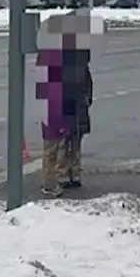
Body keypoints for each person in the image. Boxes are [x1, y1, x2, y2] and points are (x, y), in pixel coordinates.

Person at [41, 46, 93, 196]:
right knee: (62, 143)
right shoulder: (65, 68)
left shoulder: (77, 68)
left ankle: (71, 174)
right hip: (67, 107)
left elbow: (87, 87)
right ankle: (61, 175)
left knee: (72, 141)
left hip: (74, 106)